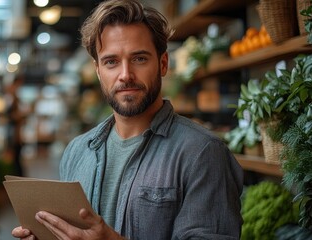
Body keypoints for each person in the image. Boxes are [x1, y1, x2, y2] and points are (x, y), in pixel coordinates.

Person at [12, 0, 243, 239]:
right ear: (98, 71)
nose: (125, 75)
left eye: (139, 59)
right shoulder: (77, 151)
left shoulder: (202, 153)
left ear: (163, 64)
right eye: (111, 62)